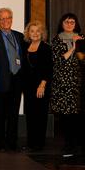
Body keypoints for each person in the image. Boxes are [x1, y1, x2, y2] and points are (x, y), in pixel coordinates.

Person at [50, 13, 85, 157]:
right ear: (62, 23)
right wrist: (73, 46)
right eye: (67, 21)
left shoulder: (81, 37)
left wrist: (78, 45)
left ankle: (77, 145)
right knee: (65, 115)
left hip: (77, 82)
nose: (69, 24)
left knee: (77, 115)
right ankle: (68, 145)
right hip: (62, 82)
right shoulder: (57, 39)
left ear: (76, 24)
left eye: (72, 22)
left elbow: (83, 60)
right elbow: (60, 60)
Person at [0, 7, 25, 152]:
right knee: (0, 113)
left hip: (17, 80)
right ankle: (0, 142)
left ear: (12, 19)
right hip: (1, 80)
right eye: (2, 18)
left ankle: (12, 141)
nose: (5, 21)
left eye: (8, 18)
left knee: (13, 113)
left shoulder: (20, 36)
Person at [22, 21, 52, 152]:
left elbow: (48, 68)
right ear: (28, 33)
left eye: (38, 31)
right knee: (30, 115)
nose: (35, 33)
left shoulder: (46, 48)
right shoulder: (25, 47)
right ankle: (31, 142)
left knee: (40, 115)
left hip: (41, 86)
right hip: (28, 86)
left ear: (42, 33)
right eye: (32, 31)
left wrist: (42, 85)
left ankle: (39, 144)